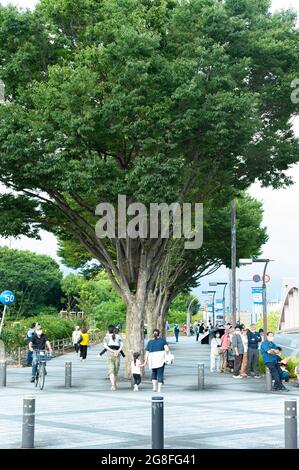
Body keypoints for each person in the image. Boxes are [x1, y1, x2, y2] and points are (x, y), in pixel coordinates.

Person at [144, 329, 171, 393]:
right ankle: (159, 389)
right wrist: (168, 355)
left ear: (153, 334)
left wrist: (146, 360)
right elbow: (166, 349)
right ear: (159, 334)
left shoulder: (150, 342)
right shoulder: (162, 341)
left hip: (152, 359)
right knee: (160, 373)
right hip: (160, 359)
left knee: (154, 373)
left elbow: (147, 352)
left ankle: (154, 387)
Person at [103, 325, 124, 391]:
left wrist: (112, 351)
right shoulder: (118, 336)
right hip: (117, 355)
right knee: (115, 371)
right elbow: (122, 345)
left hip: (110, 355)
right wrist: (117, 351)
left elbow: (105, 346)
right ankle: (114, 384)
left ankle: (113, 385)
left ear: (108, 330)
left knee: (111, 370)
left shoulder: (106, 337)